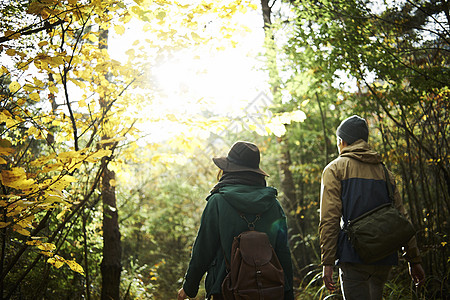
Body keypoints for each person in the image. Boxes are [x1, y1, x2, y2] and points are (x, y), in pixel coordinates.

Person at [319, 115, 425, 299]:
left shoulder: (335, 169)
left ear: (342, 141)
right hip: (384, 256)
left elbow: (330, 218)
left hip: (353, 256)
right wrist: (413, 259)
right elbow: (402, 218)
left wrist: (327, 261)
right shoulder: (385, 172)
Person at [177, 141, 294, 300]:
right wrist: (287, 292)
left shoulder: (217, 202)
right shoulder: (273, 205)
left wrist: (189, 287)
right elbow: (283, 253)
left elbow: (203, 250)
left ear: (228, 170)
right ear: (255, 172)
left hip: (225, 289)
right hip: (268, 289)